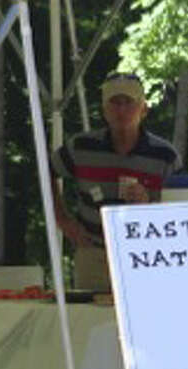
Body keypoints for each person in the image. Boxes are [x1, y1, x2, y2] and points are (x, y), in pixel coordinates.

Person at [51, 71, 181, 292]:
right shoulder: (81, 147)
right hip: (93, 253)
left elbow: (180, 210)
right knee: (87, 321)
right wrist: (63, 221)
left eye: (128, 103)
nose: (121, 110)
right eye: (114, 103)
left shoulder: (165, 155)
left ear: (144, 109)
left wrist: (148, 204)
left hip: (147, 256)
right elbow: (46, 172)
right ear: (104, 110)